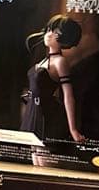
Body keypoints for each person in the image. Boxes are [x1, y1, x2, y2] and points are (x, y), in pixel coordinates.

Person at [21, 15, 85, 157]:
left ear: (65, 37)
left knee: (42, 158)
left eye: (55, 32)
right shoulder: (45, 60)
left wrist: (73, 129)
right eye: (49, 29)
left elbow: (68, 96)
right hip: (33, 111)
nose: (48, 34)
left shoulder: (60, 62)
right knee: (35, 157)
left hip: (46, 114)